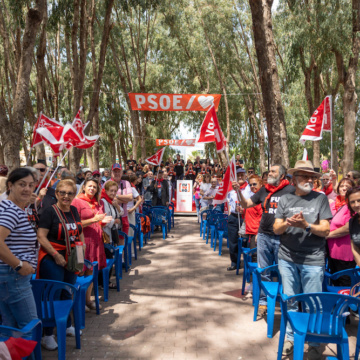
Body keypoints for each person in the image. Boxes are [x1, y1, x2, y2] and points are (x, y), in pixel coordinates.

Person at [273, 160, 332, 359]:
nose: (310, 180)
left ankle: (314, 342)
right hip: (287, 258)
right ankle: (290, 337)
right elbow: (276, 228)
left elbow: (325, 230)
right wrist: (287, 224)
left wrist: (306, 225)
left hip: (313, 260)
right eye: (305, 176)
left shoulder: (320, 199)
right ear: (294, 178)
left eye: (312, 177)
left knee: (312, 303)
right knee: (290, 300)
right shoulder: (285, 199)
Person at [237, 164, 294, 314]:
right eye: (269, 171)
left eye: (273, 172)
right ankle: (264, 300)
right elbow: (245, 204)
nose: (269, 173)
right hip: (263, 236)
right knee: (264, 271)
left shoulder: (291, 191)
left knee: (284, 271)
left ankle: (285, 300)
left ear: (281, 176)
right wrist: (238, 190)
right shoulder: (264, 190)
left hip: (283, 237)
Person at [37, 179, 85, 350]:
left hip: (72, 257)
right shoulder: (49, 212)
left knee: (67, 291)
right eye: (62, 192)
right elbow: (41, 236)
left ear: (74, 194)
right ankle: (47, 334)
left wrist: (82, 246)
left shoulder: (73, 209)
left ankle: (66, 325)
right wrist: (55, 255)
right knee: (53, 296)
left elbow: (79, 230)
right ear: (56, 194)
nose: (66, 196)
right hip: (52, 258)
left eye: (70, 193)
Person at [0, 168, 38, 349]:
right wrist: (19, 265)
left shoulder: (11, 208)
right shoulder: (11, 210)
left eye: (30, 185)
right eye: (22, 184)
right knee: (29, 328)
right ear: (10, 185)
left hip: (8, 277)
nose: (27, 189)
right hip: (13, 277)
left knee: (10, 329)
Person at [72, 177, 112, 310]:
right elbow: (74, 224)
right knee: (79, 271)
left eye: (94, 187)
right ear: (84, 187)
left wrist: (103, 221)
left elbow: (98, 221)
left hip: (96, 241)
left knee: (90, 271)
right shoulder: (76, 202)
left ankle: (88, 300)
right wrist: (94, 219)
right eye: (89, 186)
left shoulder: (97, 202)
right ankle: (78, 302)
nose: (92, 189)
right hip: (82, 242)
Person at [326, 177, 355, 286]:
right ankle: (337, 303)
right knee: (334, 280)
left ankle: (346, 303)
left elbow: (348, 228)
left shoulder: (353, 205)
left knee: (345, 282)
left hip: (345, 251)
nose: (344, 188)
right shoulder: (332, 205)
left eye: (347, 187)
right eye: (342, 186)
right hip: (331, 250)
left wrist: (328, 235)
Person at [227, 168, 253, 271]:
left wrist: (245, 210)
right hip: (233, 217)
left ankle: (248, 263)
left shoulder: (250, 189)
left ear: (246, 177)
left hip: (246, 217)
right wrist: (230, 215)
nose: (240, 177)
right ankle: (234, 262)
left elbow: (253, 203)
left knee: (246, 242)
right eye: (238, 175)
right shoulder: (231, 189)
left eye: (242, 175)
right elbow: (230, 203)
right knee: (232, 241)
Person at [99, 181, 124, 290]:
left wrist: (117, 206)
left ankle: (104, 281)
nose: (113, 193)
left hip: (111, 234)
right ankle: (105, 282)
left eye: (115, 191)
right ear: (106, 190)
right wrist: (114, 221)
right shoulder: (103, 201)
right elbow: (102, 219)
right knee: (107, 257)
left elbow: (122, 212)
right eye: (111, 191)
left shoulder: (112, 201)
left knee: (108, 257)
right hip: (105, 235)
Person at [107, 164, 133, 236]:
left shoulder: (126, 183)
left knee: (123, 238)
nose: (117, 174)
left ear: (122, 173)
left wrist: (117, 196)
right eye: (115, 171)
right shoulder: (107, 183)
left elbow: (130, 197)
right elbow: (109, 200)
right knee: (113, 240)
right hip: (112, 217)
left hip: (124, 216)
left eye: (118, 171)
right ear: (111, 173)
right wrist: (125, 200)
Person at [244, 175, 263, 262]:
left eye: (254, 184)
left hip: (257, 233)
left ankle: (256, 276)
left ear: (261, 184)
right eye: (250, 184)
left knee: (256, 259)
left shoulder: (260, 199)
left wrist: (258, 233)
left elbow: (263, 217)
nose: (252, 186)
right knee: (254, 257)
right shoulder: (254, 197)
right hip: (251, 233)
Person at [347, 188, 360, 267]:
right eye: (352, 202)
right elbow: (355, 248)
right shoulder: (352, 222)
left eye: (359, 200)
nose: (356, 204)